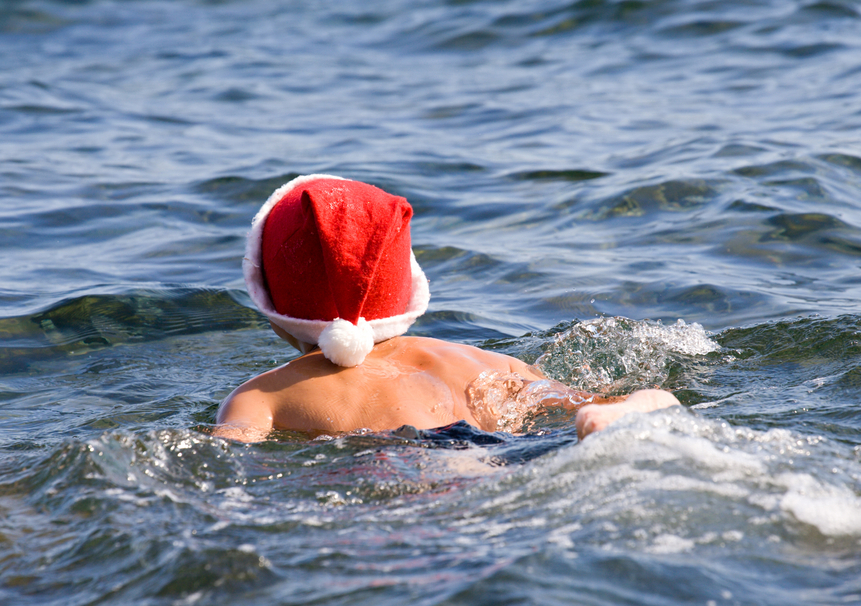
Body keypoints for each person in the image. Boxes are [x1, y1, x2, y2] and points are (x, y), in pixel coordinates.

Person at [214, 175, 679, 444]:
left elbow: (225, 460)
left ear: (271, 302)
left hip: (399, 484)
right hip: (500, 460)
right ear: (407, 289)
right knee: (605, 405)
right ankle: (642, 408)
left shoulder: (262, 398)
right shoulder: (484, 363)